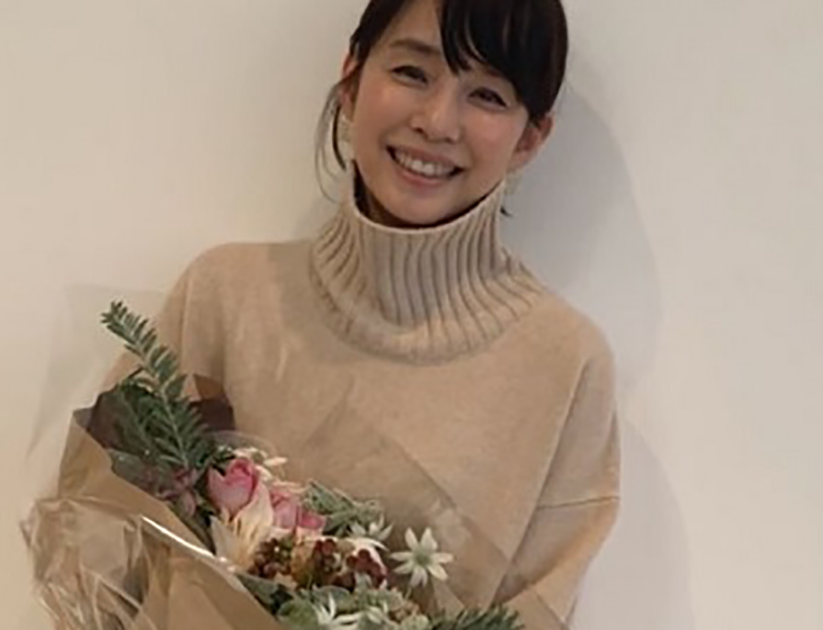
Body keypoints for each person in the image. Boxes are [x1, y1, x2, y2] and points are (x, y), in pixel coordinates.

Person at [78, 0, 619, 627]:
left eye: (487, 96)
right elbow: (97, 536)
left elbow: (536, 613)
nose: (437, 121)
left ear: (530, 137)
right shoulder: (224, 297)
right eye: (413, 72)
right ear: (352, 79)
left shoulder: (564, 365)